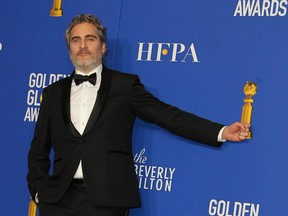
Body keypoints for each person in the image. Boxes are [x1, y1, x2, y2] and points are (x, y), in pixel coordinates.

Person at [27, 14, 250, 216]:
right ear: (69, 48)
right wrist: (38, 191)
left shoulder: (124, 86)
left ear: (103, 47)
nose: (83, 46)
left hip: (107, 201)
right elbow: (39, 149)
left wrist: (220, 131)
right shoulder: (53, 93)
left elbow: (168, 116)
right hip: (58, 201)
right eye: (76, 40)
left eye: (90, 39)